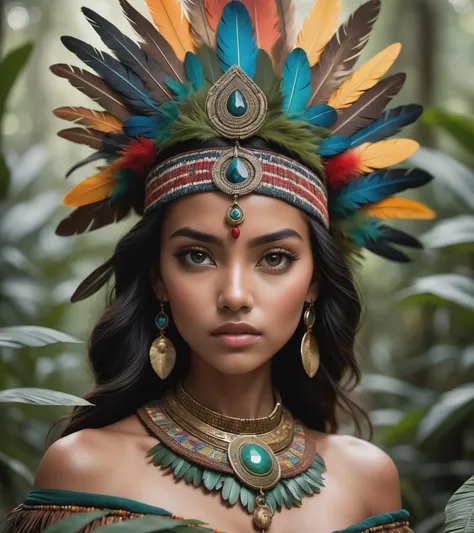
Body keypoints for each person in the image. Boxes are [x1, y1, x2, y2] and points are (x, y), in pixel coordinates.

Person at [4, 0, 435, 532]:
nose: (234, 293)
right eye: (196, 256)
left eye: (275, 258)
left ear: (316, 283)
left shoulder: (368, 480)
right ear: (159, 277)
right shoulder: (84, 471)